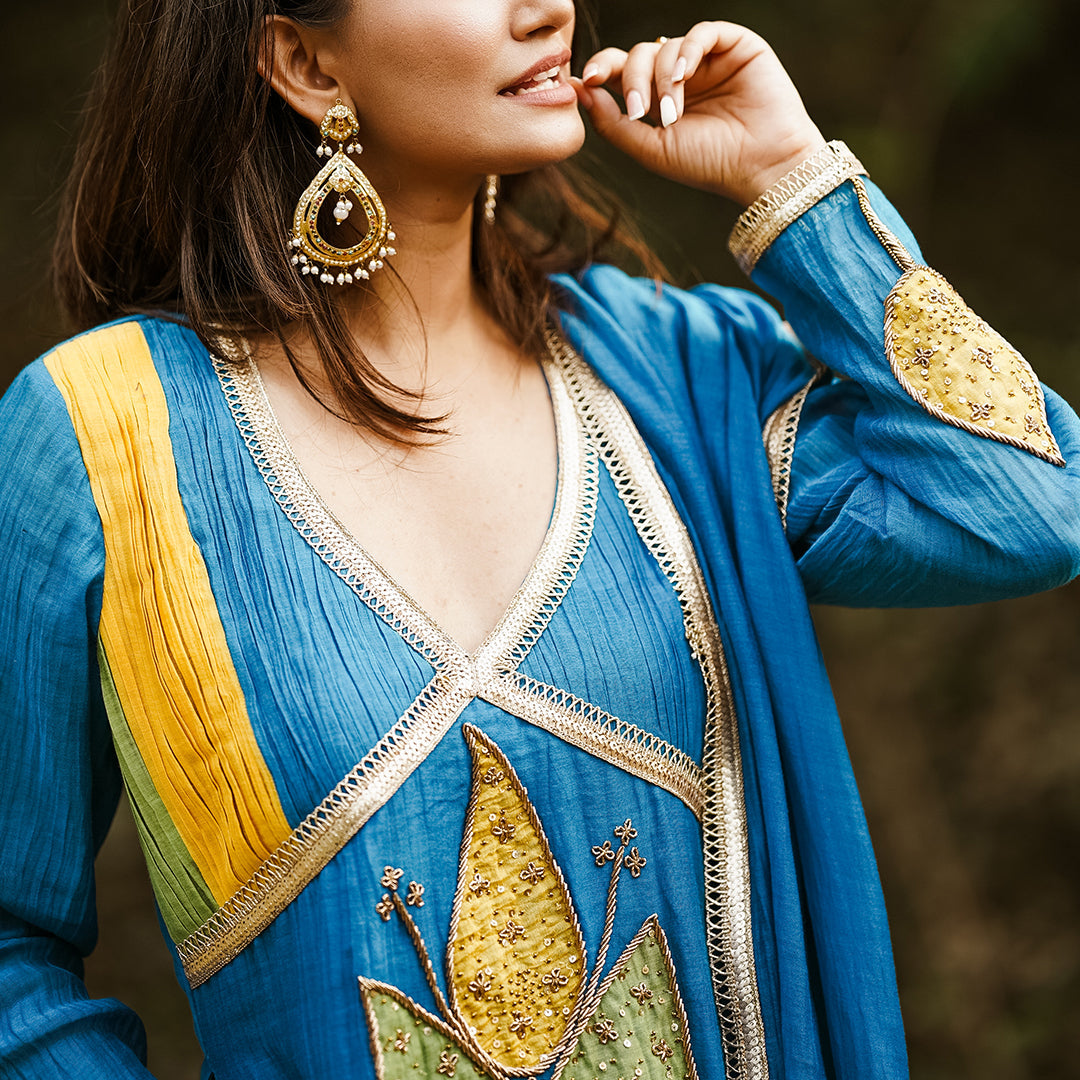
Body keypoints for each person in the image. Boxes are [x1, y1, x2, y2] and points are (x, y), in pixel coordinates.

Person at [1, 1, 1078, 1078]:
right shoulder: (104, 440)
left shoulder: (675, 385)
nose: (548, 6)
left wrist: (794, 179)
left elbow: (1028, 503)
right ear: (303, 61)